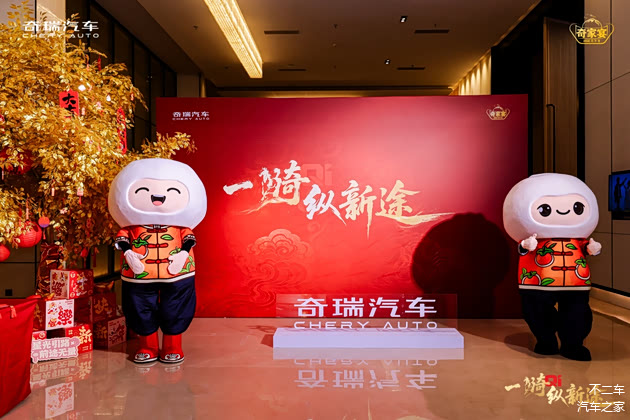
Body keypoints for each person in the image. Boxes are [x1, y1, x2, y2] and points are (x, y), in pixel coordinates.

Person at [108, 158, 207, 364]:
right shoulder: (130, 227)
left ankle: (173, 346)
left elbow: (189, 239)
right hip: (138, 274)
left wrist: (183, 254)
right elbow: (122, 240)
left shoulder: (181, 227)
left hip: (178, 273)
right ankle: (148, 346)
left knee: (177, 307)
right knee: (139, 307)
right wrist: (128, 253)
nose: (158, 197)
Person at [503, 173, 601, 361]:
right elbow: (522, 248)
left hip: (575, 282)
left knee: (577, 313)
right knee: (537, 312)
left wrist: (591, 248)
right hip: (536, 281)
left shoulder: (578, 239)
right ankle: (546, 340)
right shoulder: (532, 239)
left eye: (577, 208)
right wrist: (525, 245)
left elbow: (584, 248)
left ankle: (573, 345)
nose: (564, 212)